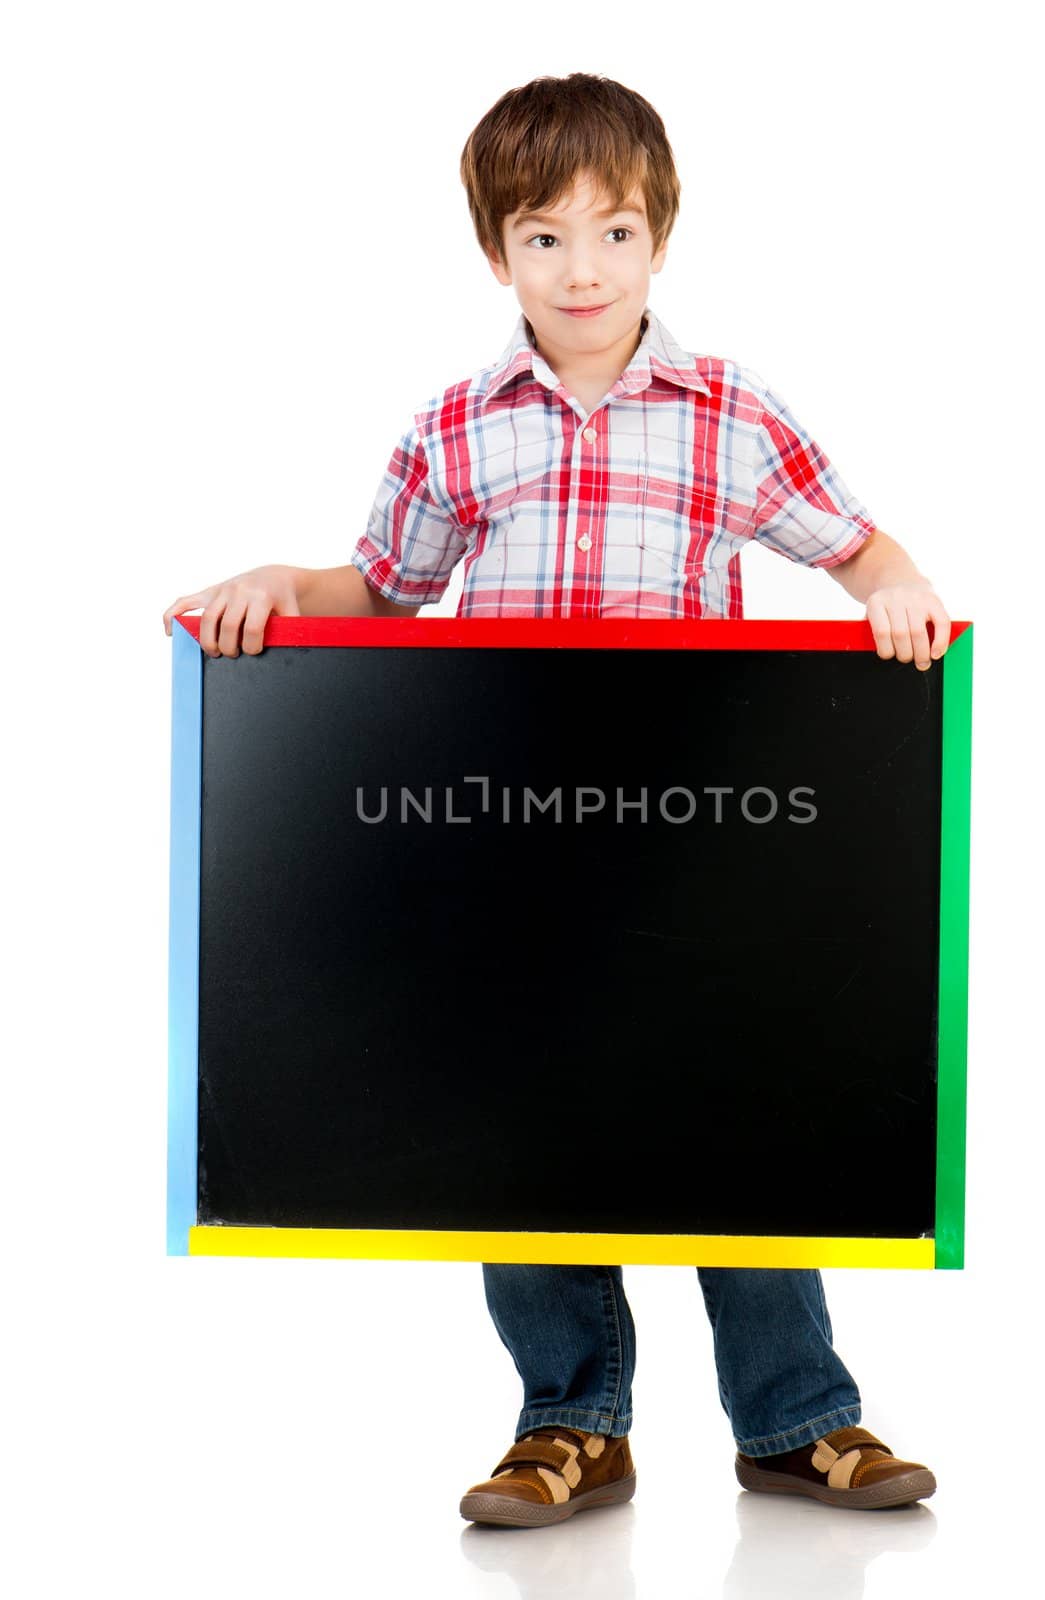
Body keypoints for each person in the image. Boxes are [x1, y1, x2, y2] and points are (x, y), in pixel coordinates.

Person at [163, 72, 951, 1527]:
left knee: (731, 1115)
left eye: (613, 233)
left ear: (660, 241)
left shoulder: (727, 412)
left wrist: (895, 589)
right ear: (493, 251)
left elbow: (852, 546)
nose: (580, 270)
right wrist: (283, 583)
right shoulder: (458, 426)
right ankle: (571, 1421)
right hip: (507, 848)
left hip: (688, 845)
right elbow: (383, 591)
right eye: (542, 237)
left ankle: (797, 1417)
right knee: (523, 1124)